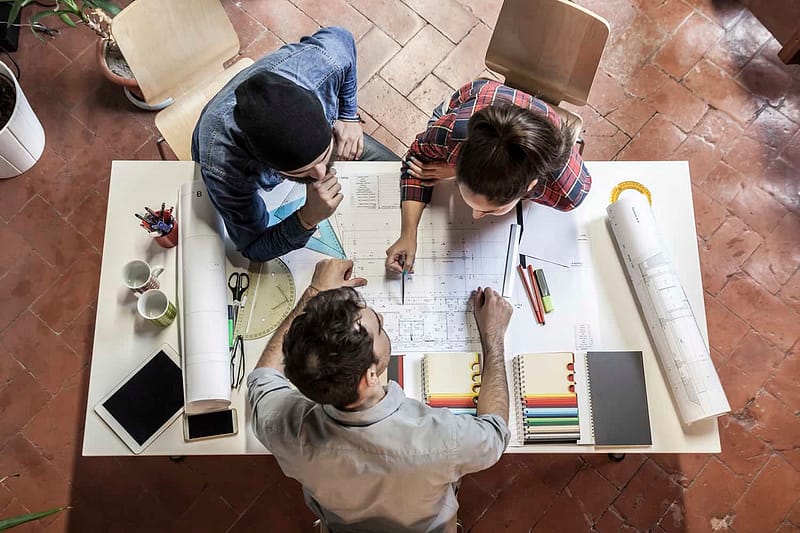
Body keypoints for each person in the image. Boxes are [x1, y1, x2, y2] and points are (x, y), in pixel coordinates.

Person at [248, 258, 513, 532]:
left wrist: (315, 294)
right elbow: (494, 433)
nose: (383, 319)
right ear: (370, 376)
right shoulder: (442, 437)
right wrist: (493, 337)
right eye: (379, 328)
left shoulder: (287, 431)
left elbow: (261, 378)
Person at [192, 27, 399, 262]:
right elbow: (253, 247)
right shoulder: (223, 168)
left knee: (397, 171)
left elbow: (344, 38)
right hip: (227, 156)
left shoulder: (325, 61)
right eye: (303, 171)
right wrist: (307, 218)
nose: (322, 174)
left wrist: (348, 116)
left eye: (324, 156)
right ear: (268, 165)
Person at [385, 79, 592, 273]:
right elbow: (416, 157)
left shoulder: (567, 193)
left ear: (530, 187)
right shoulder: (450, 132)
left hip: (520, 113)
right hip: (480, 95)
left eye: (492, 209)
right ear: (459, 157)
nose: (475, 216)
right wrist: (408, 233)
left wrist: (452, 171)